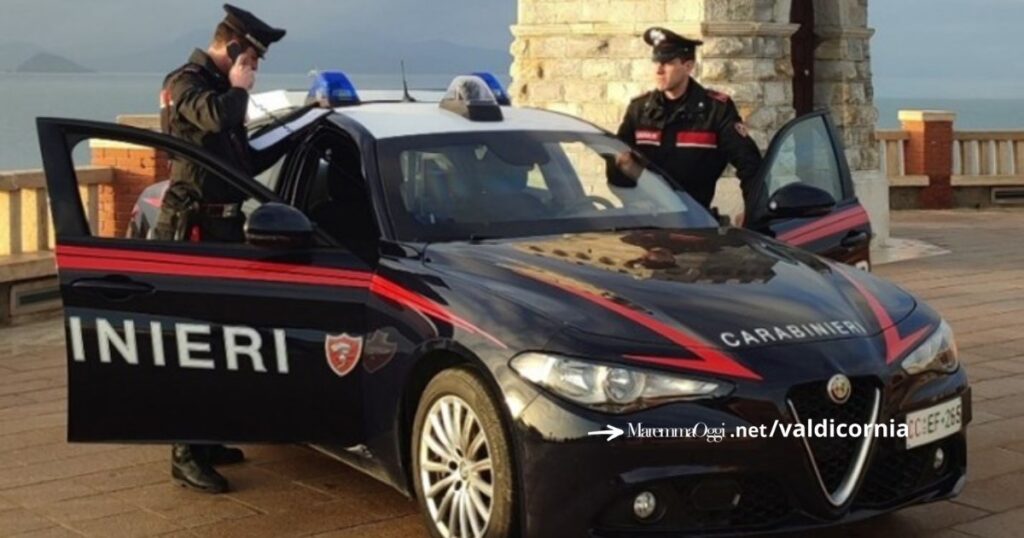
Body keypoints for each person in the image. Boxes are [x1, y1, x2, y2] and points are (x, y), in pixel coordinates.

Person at [153, 3, 286, 494]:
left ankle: (206, 438)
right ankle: (184, 453)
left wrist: (298, 133)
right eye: (250, 59)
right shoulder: (189, 83)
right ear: (230, 47)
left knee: (221, 341)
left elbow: (242, 163)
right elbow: (212, 118)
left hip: (224, 230)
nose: (252, 69)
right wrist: (238, 89)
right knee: (194, 343)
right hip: (192, 231)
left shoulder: (223, 91)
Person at [614, 27, 767, 224]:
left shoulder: (715, 111)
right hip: (643, 225)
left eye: (668, 63)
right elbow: (617, 164)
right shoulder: (640, 110)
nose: (659, 70)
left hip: (694, 223)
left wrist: (753, 211)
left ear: (688, 66)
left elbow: (750, 165)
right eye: (656, 62)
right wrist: (631, 198)